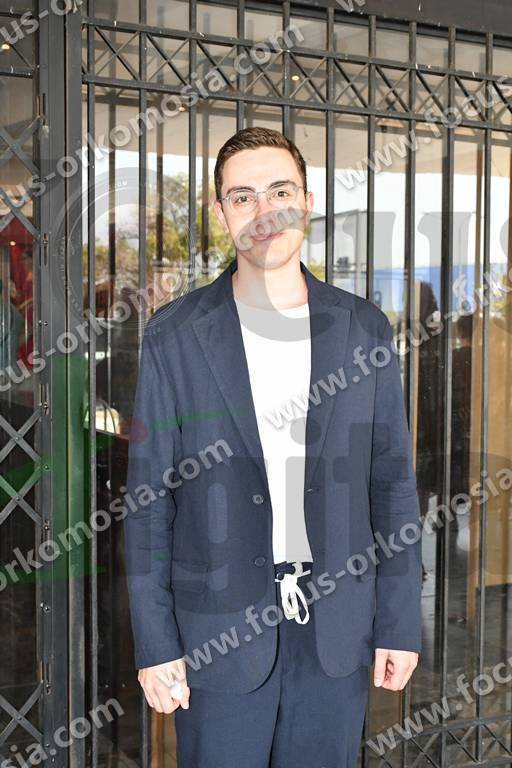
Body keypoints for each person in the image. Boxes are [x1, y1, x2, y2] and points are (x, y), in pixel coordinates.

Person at [123, 127, 422, 767]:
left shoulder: (363, 328)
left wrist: (399, 623)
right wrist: (156, 643)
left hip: (337, 633)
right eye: (243, 196)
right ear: (222, 212)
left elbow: (393, 484)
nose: (265, 212)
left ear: (307, 201)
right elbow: (148, 502)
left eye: (280, 191)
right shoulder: (174, 334)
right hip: (215, 636)